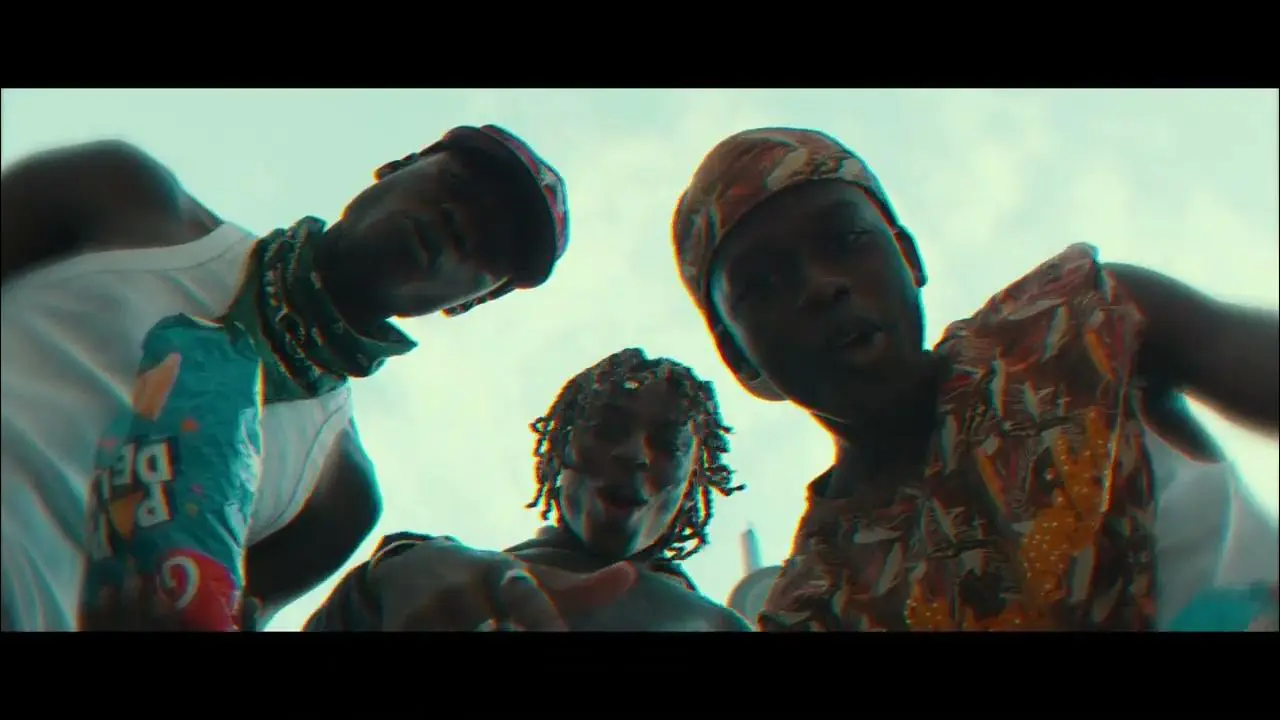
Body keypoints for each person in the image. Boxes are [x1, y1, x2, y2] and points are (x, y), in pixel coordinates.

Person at [669, 127, 1279, 631]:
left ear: (909, 257)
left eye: (845, 238)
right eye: (764, 284)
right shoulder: (817, 606)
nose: (822, 285)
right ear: (740, 358)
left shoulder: (1079, 322)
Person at [0, 124, 570, 631]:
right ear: (398, 166)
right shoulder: (125, 197)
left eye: (488, 246)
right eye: (458, 185)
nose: (458, 221)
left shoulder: (336, 497)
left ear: (469, 303)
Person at [303, 348, 752, 631]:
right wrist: (378, 590)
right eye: (609, 427)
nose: (635, 454)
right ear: (559, 448)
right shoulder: (426, 577)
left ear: (693, 482)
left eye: (669, 444)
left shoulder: (722, 625)